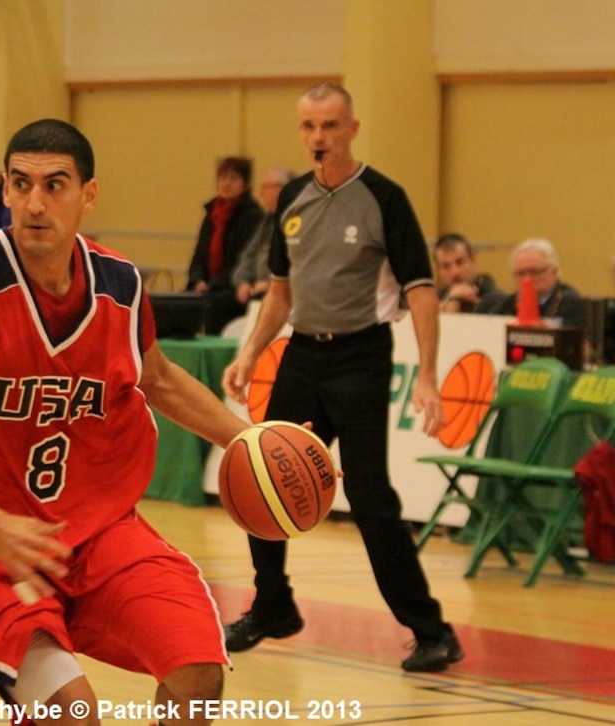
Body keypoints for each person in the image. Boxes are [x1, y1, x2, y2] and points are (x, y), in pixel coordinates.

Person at [0, 119, 252, 724]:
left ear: (89, 195)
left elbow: (153, 378)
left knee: (198, 670)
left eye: (55, 185)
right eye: (20, 184)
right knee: (70, 713)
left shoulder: (121, 287)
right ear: (4, 190)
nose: (34, 203)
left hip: (99, 533)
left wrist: (250, 441)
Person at [221, 83, 463, 674]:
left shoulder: (384, 197)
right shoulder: (294, 200)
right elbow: (281, 291)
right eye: (309, 127)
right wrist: (252, 351)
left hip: (361, 357)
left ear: (352, 128)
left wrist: (428, 374)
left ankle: (432, 631)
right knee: (260, 475)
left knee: (370, 499)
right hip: (303, 354)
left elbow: (421, 290)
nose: (318, 138)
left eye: (330, 126)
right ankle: (273, 607)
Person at [186, 156, 264, 334]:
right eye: (222, 178)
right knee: (183, 301)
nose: (226, 183)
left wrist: (212, 285)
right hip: (210, 286)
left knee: (216, 304)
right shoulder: (212, 214)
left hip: (233, 286)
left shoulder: (252, 216)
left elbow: (242, 261)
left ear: (245, 184)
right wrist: (198, 280)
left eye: (233, 178)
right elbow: (199, 255)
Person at [481, 237, 586, 329]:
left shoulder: (570, 303)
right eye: (521, 273)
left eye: (534, 272)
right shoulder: (506, 304)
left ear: (554, 271)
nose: (528, 279)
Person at [232, 166, 296, 304]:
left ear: (283, 189)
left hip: (284, 291)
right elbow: (249, 254)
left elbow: (294, 260)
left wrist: (271, 282)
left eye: (266, 187)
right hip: (258, 288)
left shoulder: (295, 219)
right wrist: (242, 281)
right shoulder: (268, 219)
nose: (261, 193)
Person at [432, 233, 506, 313]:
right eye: (446, 266)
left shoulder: (497, 301)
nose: (455, 272)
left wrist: (454, 300)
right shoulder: (435, 299)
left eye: (460, 262)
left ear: (472, 260)